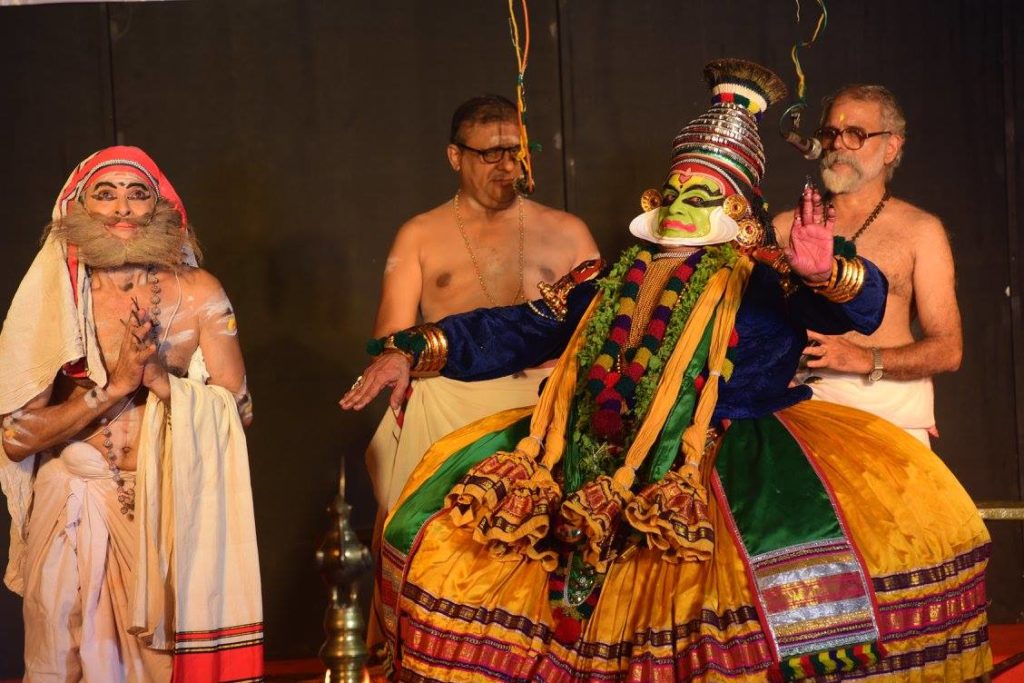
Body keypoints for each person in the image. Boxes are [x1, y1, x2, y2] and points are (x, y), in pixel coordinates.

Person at [341, 60, 990, 681]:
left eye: (702, 194)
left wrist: (826, 272)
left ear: (738, 210)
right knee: (486, 563)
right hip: (607, 461)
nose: (681, 204)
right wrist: (410, 351)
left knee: (737, 625)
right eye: (675, 190)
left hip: (733, 470)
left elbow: (858, 310)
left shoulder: (764, 280)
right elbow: (517, 327)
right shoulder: (612, 280)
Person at [0, 147, 263, 682]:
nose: (122, 208)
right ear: (79, 208)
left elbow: (239, 410)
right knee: (62, 658)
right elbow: (16, 438)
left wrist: (162, 382)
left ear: (159, 208)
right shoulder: (55, 299)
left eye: (137, 194)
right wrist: (114, 388)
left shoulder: (200, 294)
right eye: (106, 194)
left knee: (159, 666)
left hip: (164, 510)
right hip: (71, 504)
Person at [356, 94, 598, 541]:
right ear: (455, 156)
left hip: (544, 413)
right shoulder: (419, 235)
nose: (505, 166)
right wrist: (396, 358)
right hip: (454, 408)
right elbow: (391, 337)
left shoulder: (568, 231)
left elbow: (599, 332)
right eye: (490, 154)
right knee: (442, 548)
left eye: (514, 152)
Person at [773, 85, 961, 446]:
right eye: (830, 133)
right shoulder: (784, 228)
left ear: (891, 147)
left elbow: (948, 349)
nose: (838, 144)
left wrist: (864, 359)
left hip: (886, 421)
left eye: (855, 134)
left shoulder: (920, 231)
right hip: (797, 417)